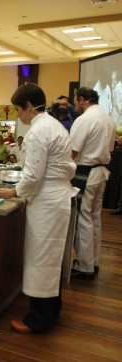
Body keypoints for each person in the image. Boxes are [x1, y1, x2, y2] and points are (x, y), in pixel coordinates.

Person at [0, 83, 76, 334]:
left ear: (29, 106)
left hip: (48, 200)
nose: (18, 115)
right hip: (56, 196)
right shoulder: (54, 125)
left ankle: (38, 319)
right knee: (51, 258)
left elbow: (33, 175)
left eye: (18, 109)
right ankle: (51, 310)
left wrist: (14, 191)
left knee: (41, 257)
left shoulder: (39, 131)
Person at [69, 87, 116, 280]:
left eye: (75, 101)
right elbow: (111, 151)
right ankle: (94, 261)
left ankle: (84, 265)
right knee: (95, 218)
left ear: (82, 100)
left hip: (86, 172)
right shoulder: (108, 118)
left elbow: (72, 151)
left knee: (82, 219)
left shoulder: (85, 119)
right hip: (102, 170)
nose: (74, 105)